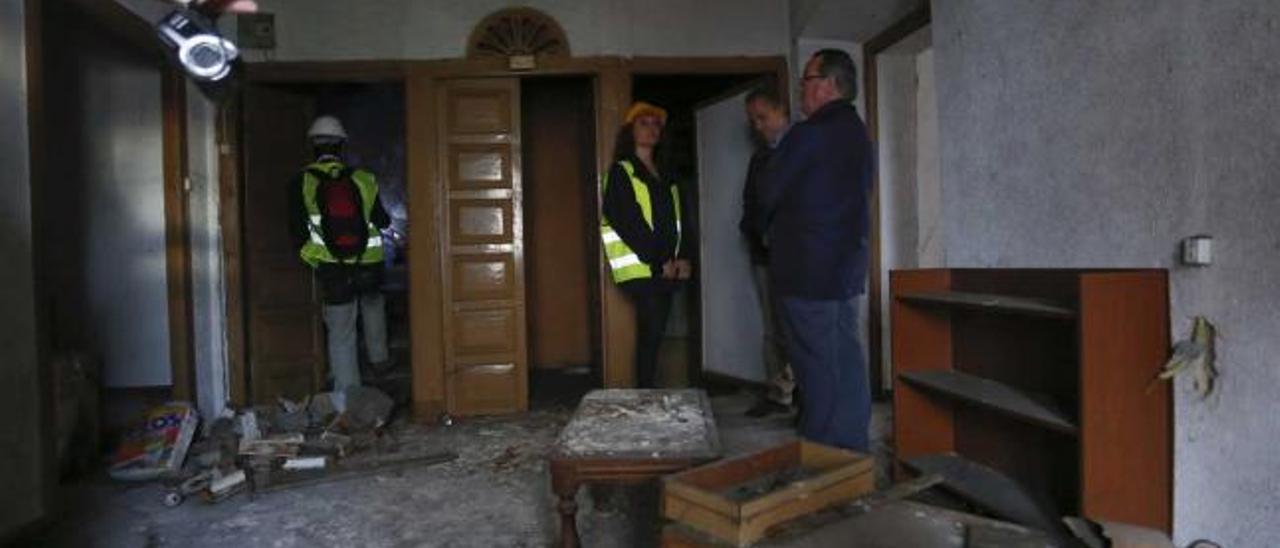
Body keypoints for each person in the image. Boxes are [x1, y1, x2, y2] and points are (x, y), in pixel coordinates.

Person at [756, 49, 875, 451]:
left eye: (806, 80)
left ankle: (822, 460)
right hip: (845, 269)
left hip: (807, 271)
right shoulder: (858, 132)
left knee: (816, 367)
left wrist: (775, 147)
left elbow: (767, 193)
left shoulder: (807, 135)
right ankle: (853, 451)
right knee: (846, 359)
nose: (801, 90)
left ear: (827, 85)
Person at [290, 115, 392, 393]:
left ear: (313, 147)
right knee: (372, 305)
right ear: (341, 146)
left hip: (332, 268)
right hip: (368, 263)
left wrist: (316, 261)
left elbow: (297, 231)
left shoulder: (302, 182)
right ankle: (380, 359)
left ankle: (349, 395)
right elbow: (383, 221)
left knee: (341, 331)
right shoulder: (364, 178)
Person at [601, 102, 692, 388]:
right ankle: (645, 396)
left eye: (656, 124)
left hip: (667, 266)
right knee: (651, 335)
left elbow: (680, 219)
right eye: (644, 123)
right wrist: (658, 259)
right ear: (630, 131)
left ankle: (647, 395)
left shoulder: (667, 174)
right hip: (644, 267)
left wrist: (684, 257)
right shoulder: (622, 172)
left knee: (655, 335)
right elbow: (628, 221)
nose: (651, 129)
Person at [740, 86, 797, 418]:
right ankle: (779, 394)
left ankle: (805, 393)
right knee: (772, 328)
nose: (758, 126)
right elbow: (750, 203)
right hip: (764, 255)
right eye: (753, 122)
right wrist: (755, 232)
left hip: (796, 254)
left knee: (799, 322)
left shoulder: (801, 148)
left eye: (763, 117)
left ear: (781, 112)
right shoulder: (759, 158)